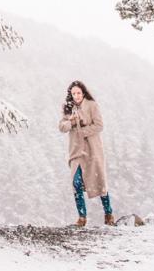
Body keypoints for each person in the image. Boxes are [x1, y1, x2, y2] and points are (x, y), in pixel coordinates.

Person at [58, 80, 116, 227]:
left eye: (78, 93)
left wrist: (83, 131)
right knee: (76, 182)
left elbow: (99, 125)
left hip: (92, 150)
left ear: (83, 92)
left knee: (99, 182)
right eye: (73, 93)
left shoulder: (92, 105)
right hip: (76, 151)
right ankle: (82, 217)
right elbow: (62, 127)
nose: (76, 96)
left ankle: (108, 214)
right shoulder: (68, 108)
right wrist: (71, 122)